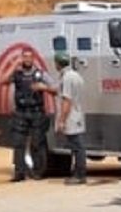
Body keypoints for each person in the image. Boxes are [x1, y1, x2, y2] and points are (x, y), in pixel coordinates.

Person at [9, 48, 55, 182]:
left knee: (37, 143)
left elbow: (56, 89)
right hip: (20, 112)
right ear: (22, 58)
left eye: (30, 57)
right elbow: (4, 80)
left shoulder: (40, 74)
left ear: (33, 59)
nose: (27, 59)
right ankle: (19, 173)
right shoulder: (17, 74)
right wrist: (13, 65)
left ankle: (38, 172)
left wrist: (44, 88)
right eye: (25, 57)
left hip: (36, 112)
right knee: (18, 144)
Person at [54, 52, 87, 185]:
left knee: (77, 147)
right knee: (77, 146)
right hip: (78, 113)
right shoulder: (76, 75)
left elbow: (66, 100)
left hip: (71, 116)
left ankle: (80, 175)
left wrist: (62, 120)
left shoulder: (67, 78)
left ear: (57, 63)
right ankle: (78, 173)